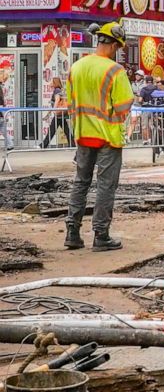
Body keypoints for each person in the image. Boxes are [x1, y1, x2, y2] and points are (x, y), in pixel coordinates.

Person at [64, 21, 133, 251]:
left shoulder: (77, 67)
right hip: (108, 137)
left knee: (80, 182)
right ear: (114, 45)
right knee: (105, 186)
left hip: (83, 134)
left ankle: (72, 232)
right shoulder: (115, 71)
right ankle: (101, 235)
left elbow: (70, 102)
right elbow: (123, 106)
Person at [41, 77, 75, 149]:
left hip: (58, 114)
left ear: (54, 83)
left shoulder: (57, 90)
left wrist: (54, 110)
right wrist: (48, 115)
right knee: (66, 130)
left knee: (52, 130)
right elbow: (54, 103)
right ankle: (72, 144)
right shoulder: (58, 90)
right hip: (60, 114)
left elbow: (57, 100)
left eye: (51, 81)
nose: (50, 83)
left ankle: (43, 145)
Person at [0, 61, 13, 150]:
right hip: (1, 112)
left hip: (1, 111)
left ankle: (10, 144)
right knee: (3, 129)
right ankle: (10, 144)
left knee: (3, 129)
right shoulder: (1, 87)